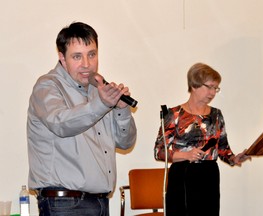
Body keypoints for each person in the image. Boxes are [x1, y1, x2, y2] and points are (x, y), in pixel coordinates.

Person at [27, 22, 137, 216]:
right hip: (64, 204)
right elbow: (61, 123)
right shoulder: (47, 86)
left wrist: (122, 110)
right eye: (77, 56)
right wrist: (102, 105)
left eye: (92, 54)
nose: (87, 64)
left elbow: (125, 142)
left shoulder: (98, 89)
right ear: (62, 58)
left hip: (100, 203)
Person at [154, 63, 250, 216]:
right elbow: (158, 152)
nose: (213, 92)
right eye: (210, 87)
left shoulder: (216, 115)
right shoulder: (173, 114)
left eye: (216, 88)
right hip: (182, 175)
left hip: (209, 175)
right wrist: (186, 155)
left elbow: (223, 148)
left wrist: (234, 158)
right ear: (194, 85)